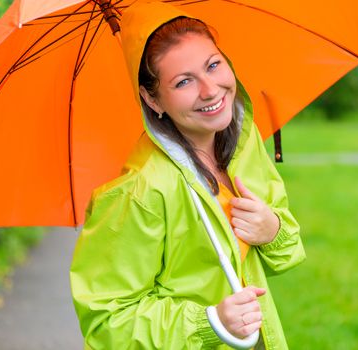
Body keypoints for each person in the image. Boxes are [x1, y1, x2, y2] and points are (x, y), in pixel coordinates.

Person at [70, 2, 305, 349]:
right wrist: (211, 321)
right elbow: (108, 322)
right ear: (153, 99)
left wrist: (272, 230)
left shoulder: (240, 142)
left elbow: (283, 256)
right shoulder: (140, 191)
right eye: (183, 82)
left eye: (213, 65)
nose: (210, 90)